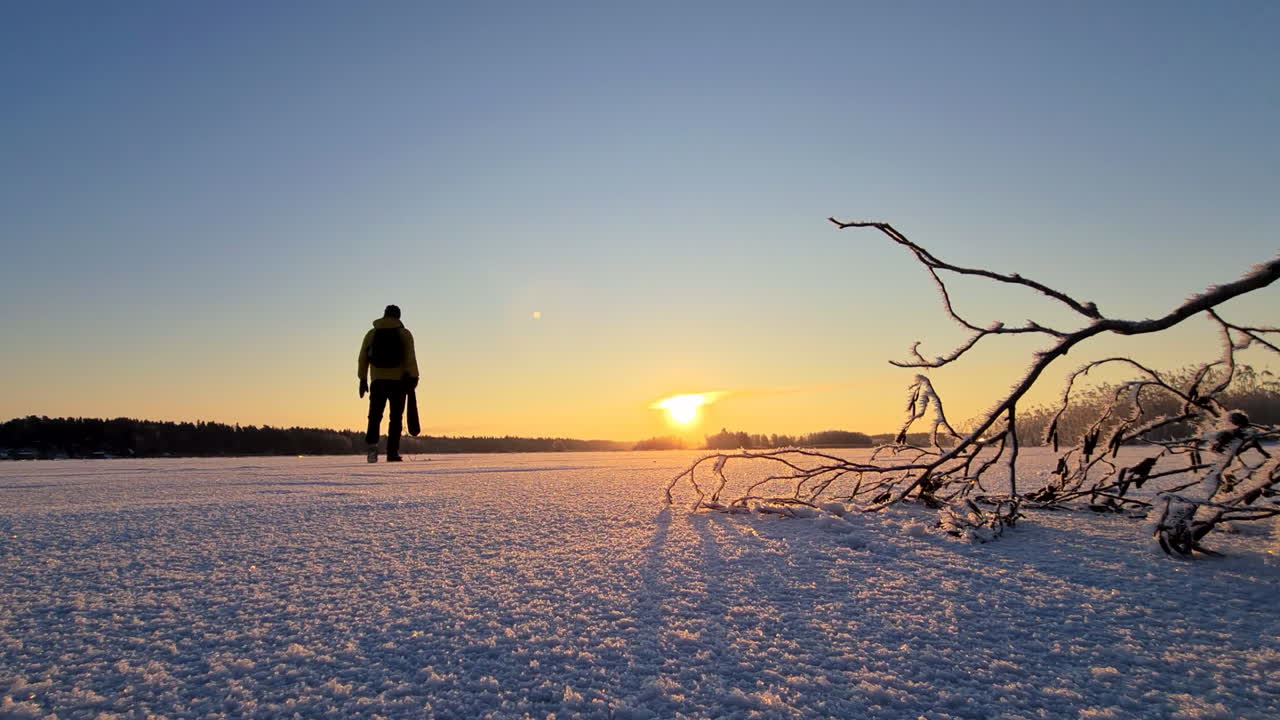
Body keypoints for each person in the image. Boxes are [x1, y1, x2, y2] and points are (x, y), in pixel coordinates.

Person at [358, 304, 419, 462]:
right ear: (398, 316)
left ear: (384, 315)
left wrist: (362, 379)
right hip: (398, 382)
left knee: (374, 416)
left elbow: (363, 357)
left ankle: (372, 451)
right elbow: (410, 357)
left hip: (377, 381)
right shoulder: (404, 334)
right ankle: (392, 453)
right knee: (396, 418)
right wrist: (414, 377)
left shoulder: (372, 333)